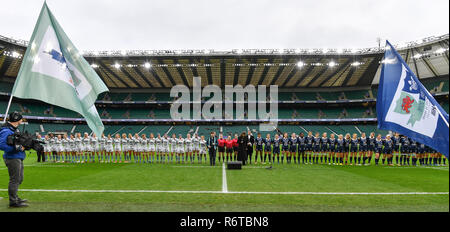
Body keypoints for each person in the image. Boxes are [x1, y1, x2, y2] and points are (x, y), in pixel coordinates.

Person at [0, 111, 28, 208]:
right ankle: (13, 201)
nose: (21, 120)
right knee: (15, 179)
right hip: (12, 158)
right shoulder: (7, 130)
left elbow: (18, 143)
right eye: (20, 118)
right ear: (17, 119)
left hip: (18, 157)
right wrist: (17, 148)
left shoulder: (14, 129)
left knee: (19, 179)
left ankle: (15, 197)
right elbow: (2, 145)